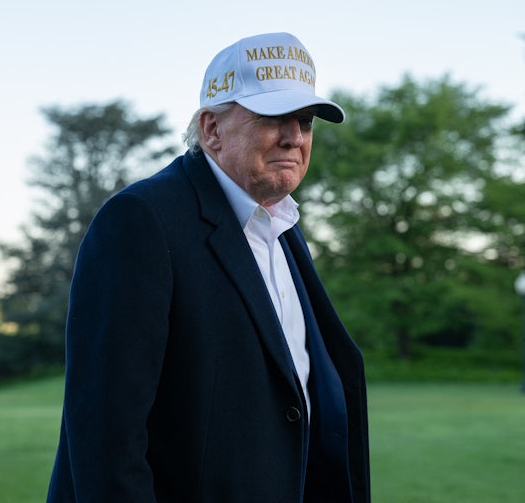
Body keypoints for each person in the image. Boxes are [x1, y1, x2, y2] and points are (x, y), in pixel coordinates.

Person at [46, 32, 370, 502]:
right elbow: (105, 431)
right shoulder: (141, 221)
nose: (294, 137)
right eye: (273, 117)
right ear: (212, 129)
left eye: (304, 121)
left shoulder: (281, 225)